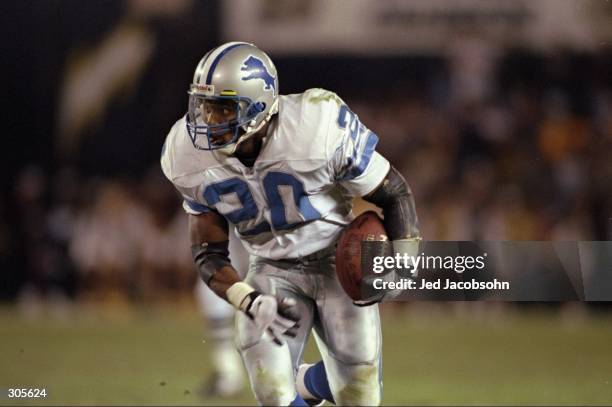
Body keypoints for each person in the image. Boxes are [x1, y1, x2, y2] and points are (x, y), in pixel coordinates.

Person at [161, 41, 420, 406]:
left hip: (336, 260)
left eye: (221, 110)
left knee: (359, 395)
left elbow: (393, 191)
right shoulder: (184, 152)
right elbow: (208, 253)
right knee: (271, 390)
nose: (206, 121)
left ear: (257, 107)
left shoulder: (315, 123)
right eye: (203, 106)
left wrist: (404, 265)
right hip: (271, 268)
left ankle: (312, 383)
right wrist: (248, 300)